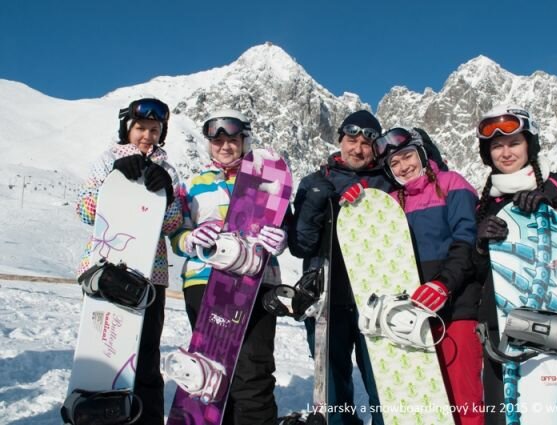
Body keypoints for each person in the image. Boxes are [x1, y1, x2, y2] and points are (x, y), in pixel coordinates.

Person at [473, 105, 557, 423]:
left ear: (529, 145)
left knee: (556, 417)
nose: (506, 153)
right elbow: (481, 276)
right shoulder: (488, 203)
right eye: (497, 146)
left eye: (514, 143)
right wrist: (480, 247)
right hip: (501, 330)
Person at [169, 109, 287, 425]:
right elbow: (176, 236)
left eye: (232, 140)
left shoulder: (269, 181)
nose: (225, 146)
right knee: (213, 366)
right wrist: (190, 238)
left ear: (244, 140)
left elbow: (282, 226)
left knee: (253, 367)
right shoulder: (193, 184)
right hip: (205, 280)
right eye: (217, 141)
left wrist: (281, 240)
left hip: (257, 281)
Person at [75, 97, 182, 425]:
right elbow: (85, 212)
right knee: (104, 347)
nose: (147, 136)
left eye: (154, 130)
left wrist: (167, 195)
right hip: (106, 271)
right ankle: (99, 412)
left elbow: (172, 225)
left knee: (146, 353)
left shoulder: (168, 170)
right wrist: (114, 180)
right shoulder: (106, 160)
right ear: (127, 129)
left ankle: (148, 418)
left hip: (151, 275)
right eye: (140, 128)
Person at [373, 127, 484, 425]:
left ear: (422, 154)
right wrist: (361, 205)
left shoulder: (451, 184)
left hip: (458, 306)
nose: (403, 167)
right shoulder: (391, 201)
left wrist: (443, 284)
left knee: (463, 395)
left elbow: (467, 241)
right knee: (426, 399)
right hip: (413, 312)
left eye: (407, 156)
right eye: (394, 163)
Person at [288, 110, 392, 425]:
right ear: (340, 140)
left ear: (376, 148)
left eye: (365, 143)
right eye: (351, 140)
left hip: (375, 301)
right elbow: (300, 246)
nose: (357, 149)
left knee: (384, 385)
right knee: (332, 389)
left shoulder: (388, 182)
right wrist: (314, 204)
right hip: (326, 299)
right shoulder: (314, 181)